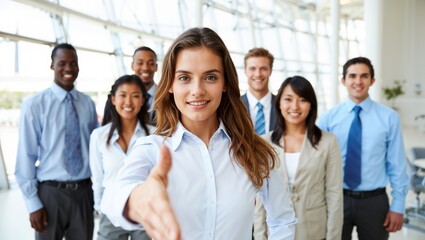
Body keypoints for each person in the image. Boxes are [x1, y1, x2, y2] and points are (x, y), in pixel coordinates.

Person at [102, 27, 297, 240]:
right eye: (185, 78)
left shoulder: (253, 150)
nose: (197, 90)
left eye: (210, 77)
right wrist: (136, 199)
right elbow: (113, 197)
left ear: (225, 83)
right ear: (170, 85)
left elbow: (283, 219)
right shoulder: (153, 149)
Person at [317, 57, 409, 240]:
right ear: (343, 81)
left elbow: (397, 164)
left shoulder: (389, 118)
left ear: (372, 81)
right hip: (336, 199)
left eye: (364, 76)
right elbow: (318, 163)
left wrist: (398, 206)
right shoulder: (328, 119)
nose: (358, 81)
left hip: (374, 202)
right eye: (352, 76)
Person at [15, 43, 98, 240]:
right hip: (50, 194)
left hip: (84, 193)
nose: (68, 68)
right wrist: (32, 203)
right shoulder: (34, 105)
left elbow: (95, 150)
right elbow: (26, 155)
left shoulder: (88, 104)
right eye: (62, 63)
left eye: (73, 63)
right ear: (52, 66)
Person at [253, 76, 343, 240]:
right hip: (277, 233)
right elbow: (260, 200)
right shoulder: (264, 142)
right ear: (279, 103)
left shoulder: (328, 142)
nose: (295, 106)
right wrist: (260, 236)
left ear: (311, 105)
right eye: (288, 99)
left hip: (314, 232)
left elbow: (334, 195)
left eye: (302, 100)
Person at [90, 75, 155, 240]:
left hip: (144, 212)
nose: (128, 102)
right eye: (123, 95)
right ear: (113, 99)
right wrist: (100, 207)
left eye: (135, 96)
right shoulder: (99, 136)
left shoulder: (154, 136)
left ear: (142, 101)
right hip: (110, 212)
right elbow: (97, 178)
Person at [102, 47, 158, 125]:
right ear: (132, 66)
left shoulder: (168, 97)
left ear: (156, 67)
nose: (145, 68)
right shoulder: (116, 97)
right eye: (140, 63)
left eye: (151, 63)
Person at [241, 47, 277, 134]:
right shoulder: (234, 105)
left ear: (270, 71)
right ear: (245, 70)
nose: (258, 74)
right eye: (252, 69)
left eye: (263, 69)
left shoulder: (282, 105)